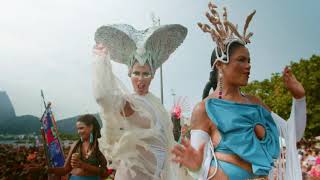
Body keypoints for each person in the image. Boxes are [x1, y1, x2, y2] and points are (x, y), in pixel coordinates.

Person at [171, 2, 307, 180]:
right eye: (241, 60)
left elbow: (292, 135)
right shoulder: (203, 109)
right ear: (220, 65)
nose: (248, 66)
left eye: (249, 60)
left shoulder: (255, 103)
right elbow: (196, 165)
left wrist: (299, 98)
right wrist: (198, 169)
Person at [92, 23, 188, 179]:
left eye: (146, 74)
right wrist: (100, 64)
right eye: (136, 73)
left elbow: (166, 143)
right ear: (130, 73)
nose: (141, 79)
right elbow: (103, 97)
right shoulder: (130, 103)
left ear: (153, 75)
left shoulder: (156, 104)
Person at [29, 114, 109, 180]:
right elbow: (65, 170)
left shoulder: (100, 145)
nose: (79, 132)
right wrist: (45, 169)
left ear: (91, 127)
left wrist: (83, 165)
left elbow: (105, 172)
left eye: (81, 128)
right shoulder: (76, 145)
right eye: (77, 129)